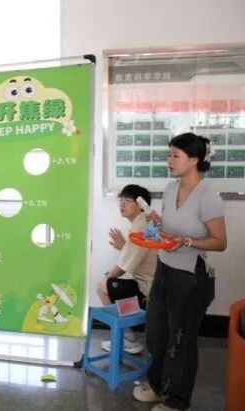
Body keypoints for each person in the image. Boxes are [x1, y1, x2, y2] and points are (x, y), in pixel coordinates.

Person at [133, 133, 227, 411]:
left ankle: (177, 400)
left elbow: (220, 242)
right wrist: (157, 222)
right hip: (164, 269)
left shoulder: (208, 196)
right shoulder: (170, 189)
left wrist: (186, 242)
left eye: (176, 155)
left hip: (190, 277)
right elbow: (169, 231)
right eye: (169, 154)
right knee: (156, 334)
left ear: (194, 160)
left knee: (181, 340)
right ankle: (158, 386)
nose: (169, 160)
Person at [96, 184, 157, 354]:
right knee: (109, 283)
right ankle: (127, 335)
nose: (122, 204)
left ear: (141, 205)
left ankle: (128, 338)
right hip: (152, 288)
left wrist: (107, 279)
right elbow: (137, 256)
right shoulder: (144, 222)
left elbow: (123, 267)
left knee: (102, 286)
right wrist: (124, 247)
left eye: (128, 200)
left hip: (148, 293)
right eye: (121, 200)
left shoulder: (141, 226)